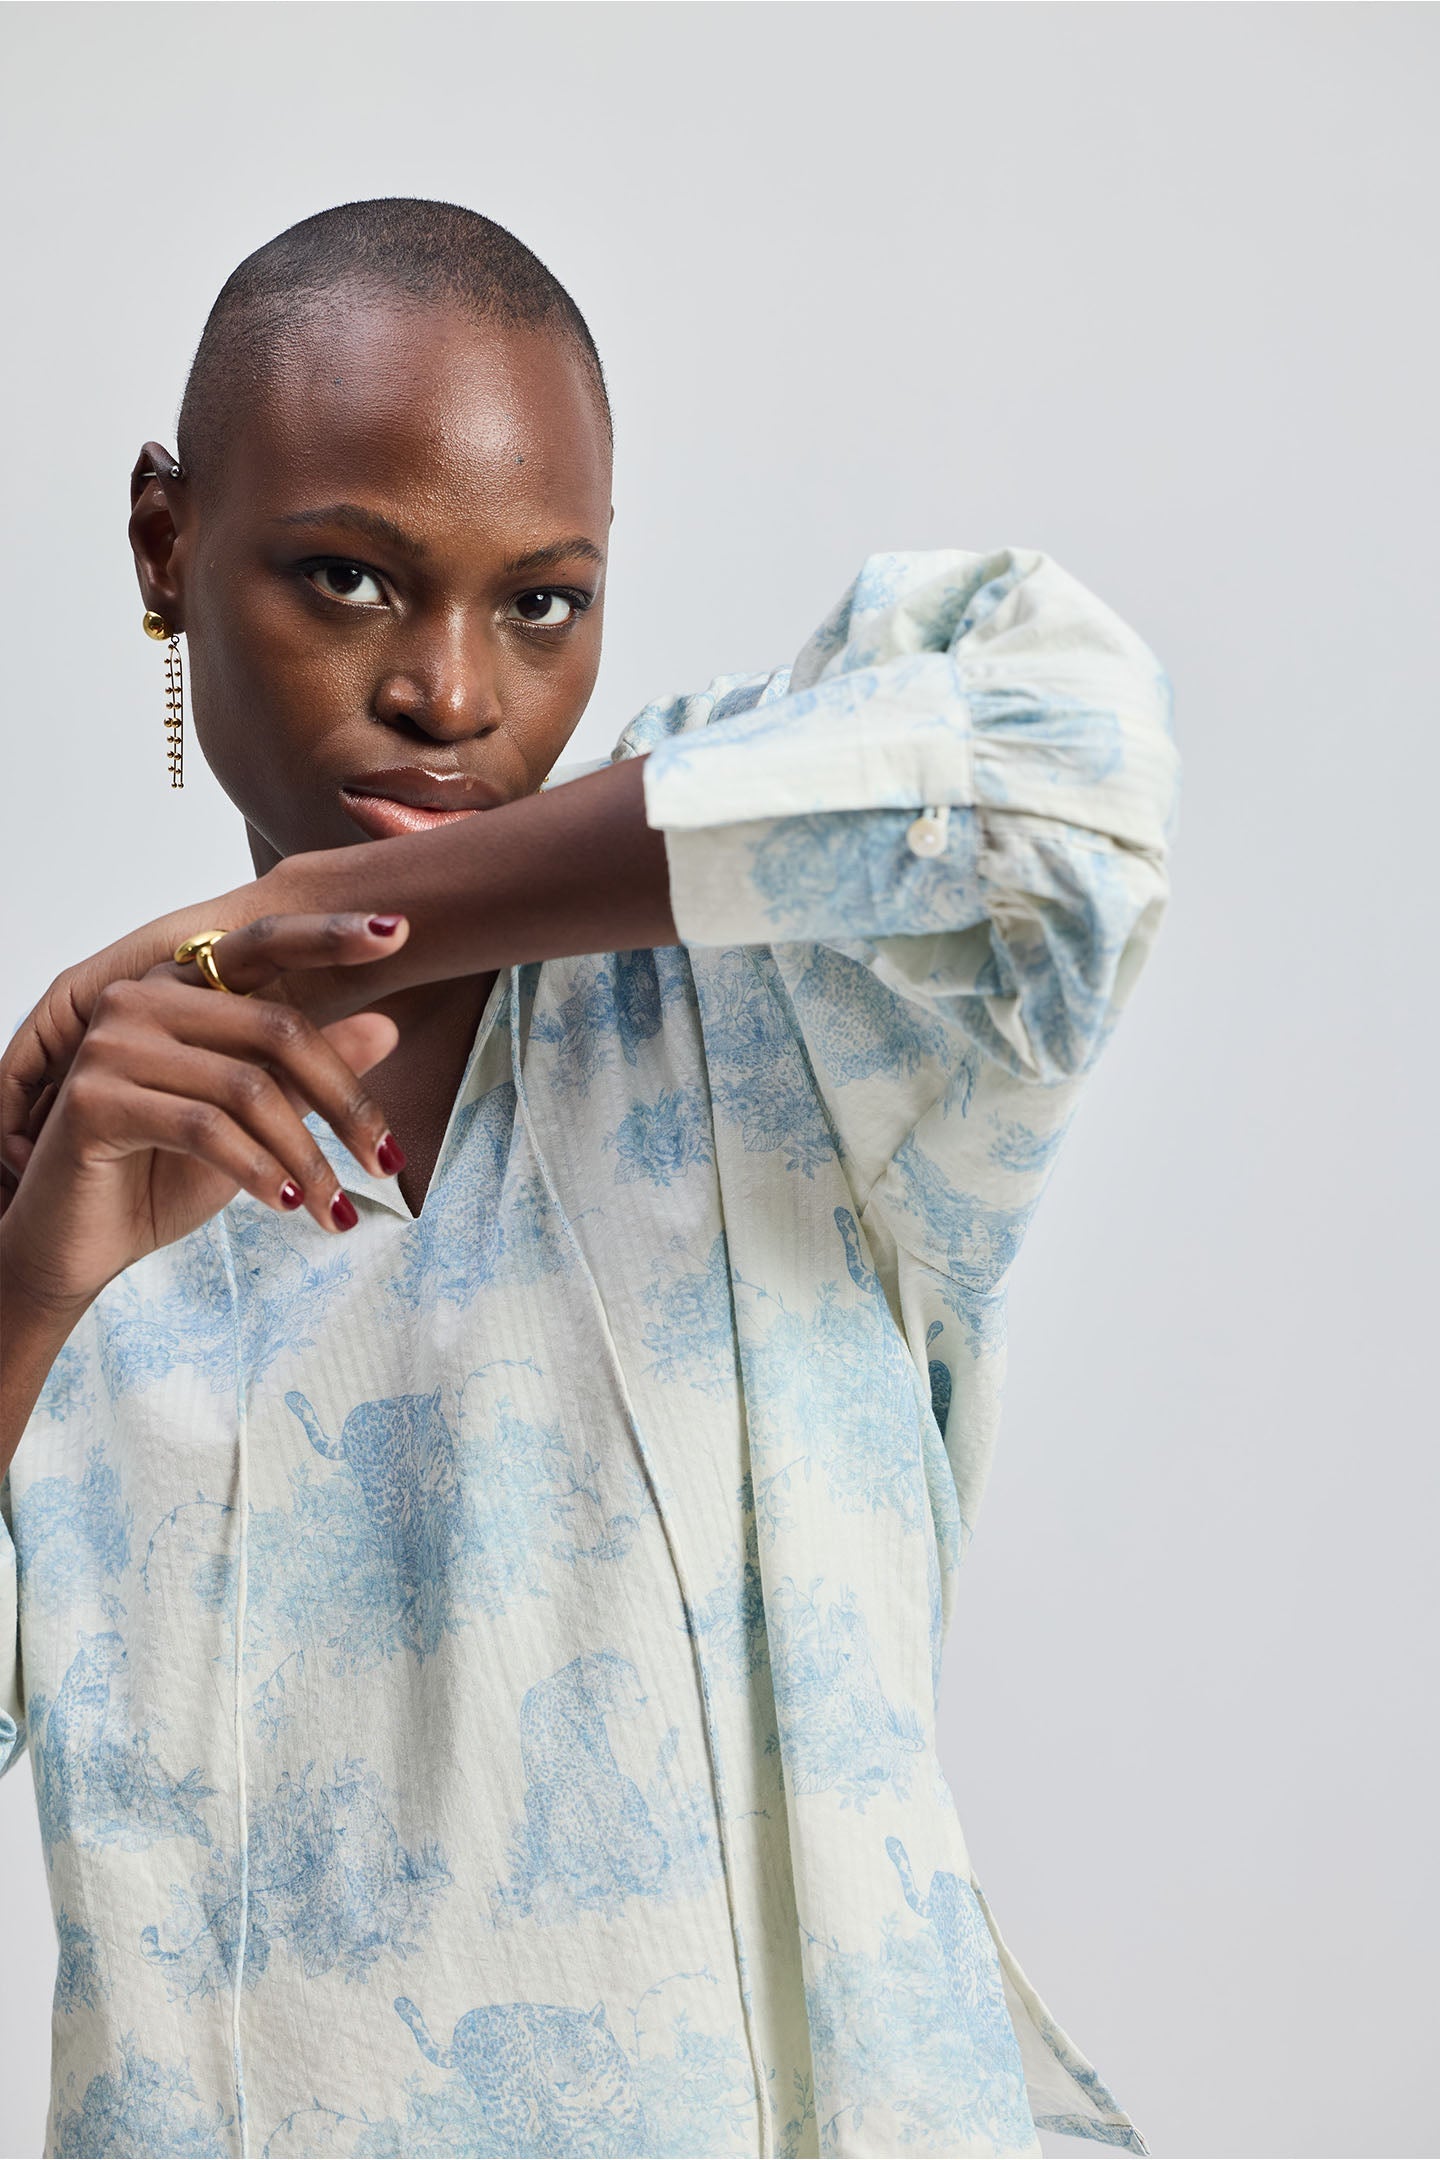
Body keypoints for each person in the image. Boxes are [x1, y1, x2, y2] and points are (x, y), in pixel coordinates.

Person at [0, 199, 1179, 2160]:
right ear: (164, 542)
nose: (455, 695)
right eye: (349, 580)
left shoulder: (782, 1007)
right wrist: (28, 1299)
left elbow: (1061, 768)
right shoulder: (82, 1163)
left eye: (541, 601)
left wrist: (304, 911)